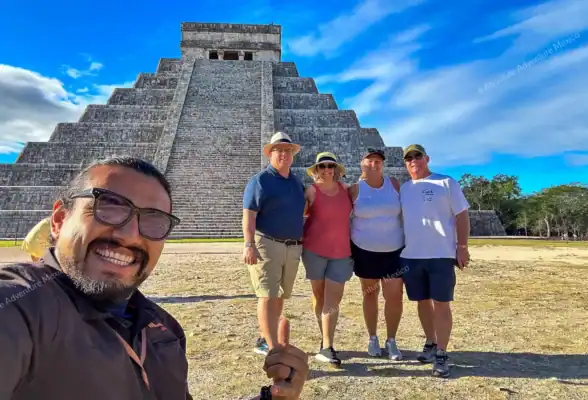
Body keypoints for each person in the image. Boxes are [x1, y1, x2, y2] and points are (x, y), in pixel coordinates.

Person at [0, 156, 308, 400]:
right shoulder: (24, 306)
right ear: (58, 220)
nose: (129, 235)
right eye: (109, 206)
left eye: (153, 220)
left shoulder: (162, 329)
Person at [399, 144, 470, 378]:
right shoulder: (404, 189)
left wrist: (462, 247)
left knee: (441, 303)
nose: (413, 160)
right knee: (421, 302)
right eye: (408, 158)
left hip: (441, 253)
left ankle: (441, 352)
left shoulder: (446, 182)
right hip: (412, 254)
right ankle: (430, 342)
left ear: (427, 158)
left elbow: (461, 215)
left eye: (417, 156)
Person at [242, 132, 306, 356]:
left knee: (279, 295)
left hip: (292, 246)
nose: (284, 155)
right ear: (270, 154)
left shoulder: (297, 182)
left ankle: (266, 336)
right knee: (267, 294)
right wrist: (249, 244)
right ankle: (271, 347)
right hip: (267, 243)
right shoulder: (260, 181)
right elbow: (249, 214)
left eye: (288, 151)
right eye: (278, 150)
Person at [348, 148, 405, 361]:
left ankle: (391, 340)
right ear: (362, 163)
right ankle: (372, 337)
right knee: (369, 293)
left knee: (394, 296)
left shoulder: (395, 185)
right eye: (370, 160)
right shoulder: (354, 189)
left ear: (383, 165)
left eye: (378, 161)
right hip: (365, 250)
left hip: (394, 251)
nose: (374, 164)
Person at [302, 152, 353, 366]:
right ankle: (325, 339)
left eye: (330, 166)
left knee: (333, 300)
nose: (326, 170)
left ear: (336, 169)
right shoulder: (311, 191)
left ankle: (327, 345)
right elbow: (298, 215)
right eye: (321, 167)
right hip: (314, 250)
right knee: (319, 296)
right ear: (316, 170)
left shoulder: (348, 191)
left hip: (341, 252)